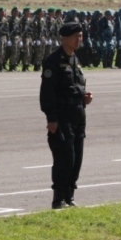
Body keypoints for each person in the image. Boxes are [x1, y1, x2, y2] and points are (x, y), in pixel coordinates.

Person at [39, 22, 93, 209]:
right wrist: (51, 119)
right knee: (64, 158)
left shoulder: (75, 60)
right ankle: (58, 198)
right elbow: (47, 92)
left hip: (79, 115)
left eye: (81, 36)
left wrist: (84, 97)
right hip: (62, 118)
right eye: (76, 37)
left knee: (77, 159)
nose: (80, 40)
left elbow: (75, 86)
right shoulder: (53, 61)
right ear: (65, 38)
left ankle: (70, 196)